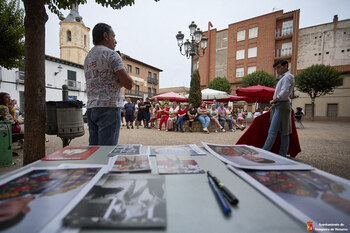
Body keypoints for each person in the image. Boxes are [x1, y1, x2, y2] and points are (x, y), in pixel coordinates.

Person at [85, 23, 133, 146]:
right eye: (113, 36)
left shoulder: (88, 57)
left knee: (94, 151)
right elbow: (129, 84)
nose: (115, 41)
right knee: (106, 152)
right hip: (109, 107)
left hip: (91, 108)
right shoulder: (112, 54)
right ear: (106, 36)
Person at [263, 59, 294, 157]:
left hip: (281, 104)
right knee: (283, 131)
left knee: (273, 131)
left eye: (279, 67)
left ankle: (263, 153)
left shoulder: (288, 77)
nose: (277, 70)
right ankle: (282, 154)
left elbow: (285, 91)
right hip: (280, 105)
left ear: (286, 66)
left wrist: (274, 100)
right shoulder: (284, 77)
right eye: (276, 68)